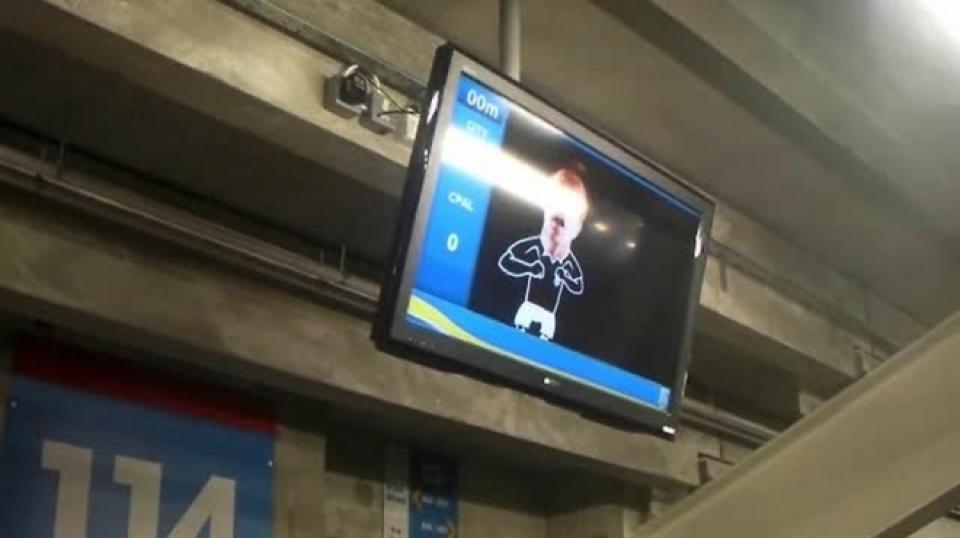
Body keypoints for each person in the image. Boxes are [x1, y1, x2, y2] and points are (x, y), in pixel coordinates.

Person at [498, 165, 588, 341]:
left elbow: (577, 285)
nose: (561, 213)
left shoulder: (569, 262)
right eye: (556, 203)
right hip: (528, 308)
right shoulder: (532, 247)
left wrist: (566, 278)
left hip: (548, 316)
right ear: (545, 208)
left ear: (577, 228)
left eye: (570, 207)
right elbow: (505, 261)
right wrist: (529, 268)